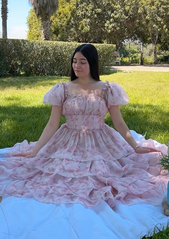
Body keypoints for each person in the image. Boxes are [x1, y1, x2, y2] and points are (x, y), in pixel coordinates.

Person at [0, 44, 168, 209]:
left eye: (82, 62)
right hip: (67, 140)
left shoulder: (106, 89)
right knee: (56, 174)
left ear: (92, 63)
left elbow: (119, 122)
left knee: (105, 175)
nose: (76, 66)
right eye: (74, 61)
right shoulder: (63, 89)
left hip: (101, 141)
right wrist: (36, 150)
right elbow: (52, 124)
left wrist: (136, 146)